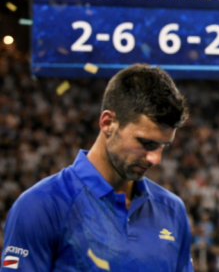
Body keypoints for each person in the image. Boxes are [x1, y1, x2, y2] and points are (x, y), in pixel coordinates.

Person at [0, 64, 193, 271]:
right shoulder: (41, 206)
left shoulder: (173, 210)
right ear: (108, 123)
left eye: (164, 146)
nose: (155, 159)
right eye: (146, 143)